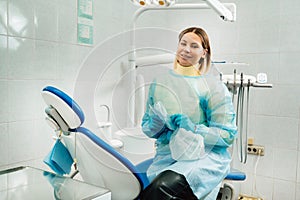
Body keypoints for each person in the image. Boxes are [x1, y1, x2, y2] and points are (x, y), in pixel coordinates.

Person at [140, 27, 237, 200]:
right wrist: (157, 126)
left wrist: (194, 128)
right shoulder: (160, 83)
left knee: (162, 189)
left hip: (204, 156)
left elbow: (227, 135)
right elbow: (147, 127)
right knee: (152, 189)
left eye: (194, 46)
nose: (186, 49)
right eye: (183, 44)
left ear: (203, 53)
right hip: (167, 155)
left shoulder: (214, 87)